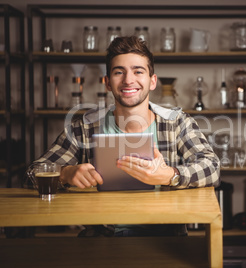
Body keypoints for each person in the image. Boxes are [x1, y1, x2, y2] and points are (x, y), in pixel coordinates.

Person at [29, 36, 221, 237]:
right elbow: (32, 173)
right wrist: (66, 174)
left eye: (138, 71)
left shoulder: (178, 124)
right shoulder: (83, 129)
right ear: (108, 83)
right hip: (101, 242)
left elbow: (212, 167)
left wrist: (170, 175)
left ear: (152, 81)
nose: (128, 80)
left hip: (166, 240)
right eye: (119, 72)